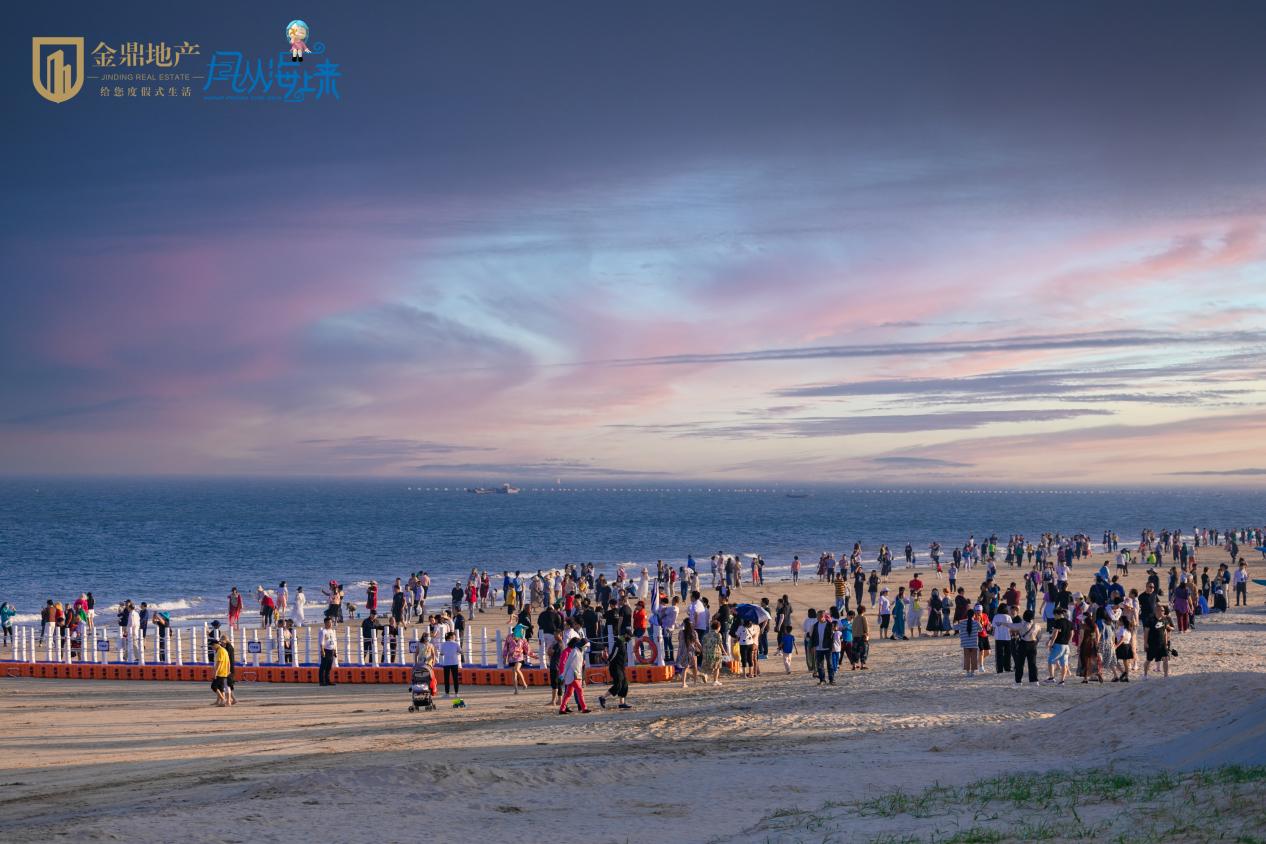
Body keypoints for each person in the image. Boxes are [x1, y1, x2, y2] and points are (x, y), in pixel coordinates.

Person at [558, 637, 591, 713]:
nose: (586, 648)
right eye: (586, 646)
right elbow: (567, 664)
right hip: (572, 675)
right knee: (579, 690)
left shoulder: (580, 652)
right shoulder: (574, 651)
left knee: (568, 694)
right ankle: (584, 708)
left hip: (577, 675)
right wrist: (563, 675)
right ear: (583, 646)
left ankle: (562, 709)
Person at [600, 632, 632, 709]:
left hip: (621, 667)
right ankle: (603, 697)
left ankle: (622, 703)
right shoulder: (618, 643)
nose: (630, 639)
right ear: (625, 635)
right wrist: (608, 661)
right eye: (629, 637)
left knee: (624, 684)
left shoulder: (622, 642)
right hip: (615, 667)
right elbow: (614, 654)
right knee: (618, 684)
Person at [1044, 608, 1073, 685]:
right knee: (1064, 663)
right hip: (1066, 646)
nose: (1054, 617)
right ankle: (1062, 681)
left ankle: (1051, 677)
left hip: (1058, 645)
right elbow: (1071, 633)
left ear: (1057, 614)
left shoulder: (1058, 622)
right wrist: (1067, 641)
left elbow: (1055, 633)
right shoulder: (1069, 622)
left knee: (1050, 660)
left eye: (1054, 615)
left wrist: (1051, 643)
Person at [502, 627, 532, 694]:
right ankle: (516, 690)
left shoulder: (522, 638)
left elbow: (526, 648)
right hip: (511, 658)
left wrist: (530, 654)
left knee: (517, 669)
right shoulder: (509, 637)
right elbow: (505, 648)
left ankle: (524, 683)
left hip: (519, 657)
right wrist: (504, 657)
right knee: (514, 673)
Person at [700, 620, 725, 687]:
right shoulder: (718, 634)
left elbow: (703, 644)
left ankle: (705, 675)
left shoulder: (706, 635)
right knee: (717, 667)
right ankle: (715, 681)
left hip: (707, 652)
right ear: (718, 627)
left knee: (707, 666)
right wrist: (724, 651)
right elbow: (720, 644)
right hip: (716, 652)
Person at [955, 609, 980, 676]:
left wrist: (956, 622)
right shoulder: (976, 622)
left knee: (967, 658)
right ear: (973, 615)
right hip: (974, 643)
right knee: (974, 658)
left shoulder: (962, 623)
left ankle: (967, 672)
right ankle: (972, 672)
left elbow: (955, 627)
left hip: (965, 644)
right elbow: (981, 629)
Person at [438, 631, 463, 697]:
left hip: (446, 663)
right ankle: (456, 693)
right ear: (451, 637)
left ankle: (447, 693)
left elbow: (441, 653)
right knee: (455, 678)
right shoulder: (456, 643)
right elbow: (461, 651)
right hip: (454, 662)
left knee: (446, 679)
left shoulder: (443, 644)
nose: (455, 637)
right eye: (454, 636)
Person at [211, 637, 231, 707]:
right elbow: (228, 662)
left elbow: (219, 662)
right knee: (220, 688)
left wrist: (215, 672)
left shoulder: (220, 651)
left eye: (212, 646)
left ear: (216, 645)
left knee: (214, 686)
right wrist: (228, 670)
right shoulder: (224, 650)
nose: (212, 647)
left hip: (220, 672)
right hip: (224, 672)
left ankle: (223, 700)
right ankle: (222, 702)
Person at [318, 617, 337, 686]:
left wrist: (335, 650)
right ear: (325, 623)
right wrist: (322, 651)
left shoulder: (332, 631)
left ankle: (327, 680)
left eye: (331, 622)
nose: (330, 624)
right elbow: (321, 642)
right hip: (326, 650)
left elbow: (334, 641)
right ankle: (321, 681)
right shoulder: (323, 631)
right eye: (329, 622)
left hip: (331, 650)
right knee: (323, 666)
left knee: (329, 667)